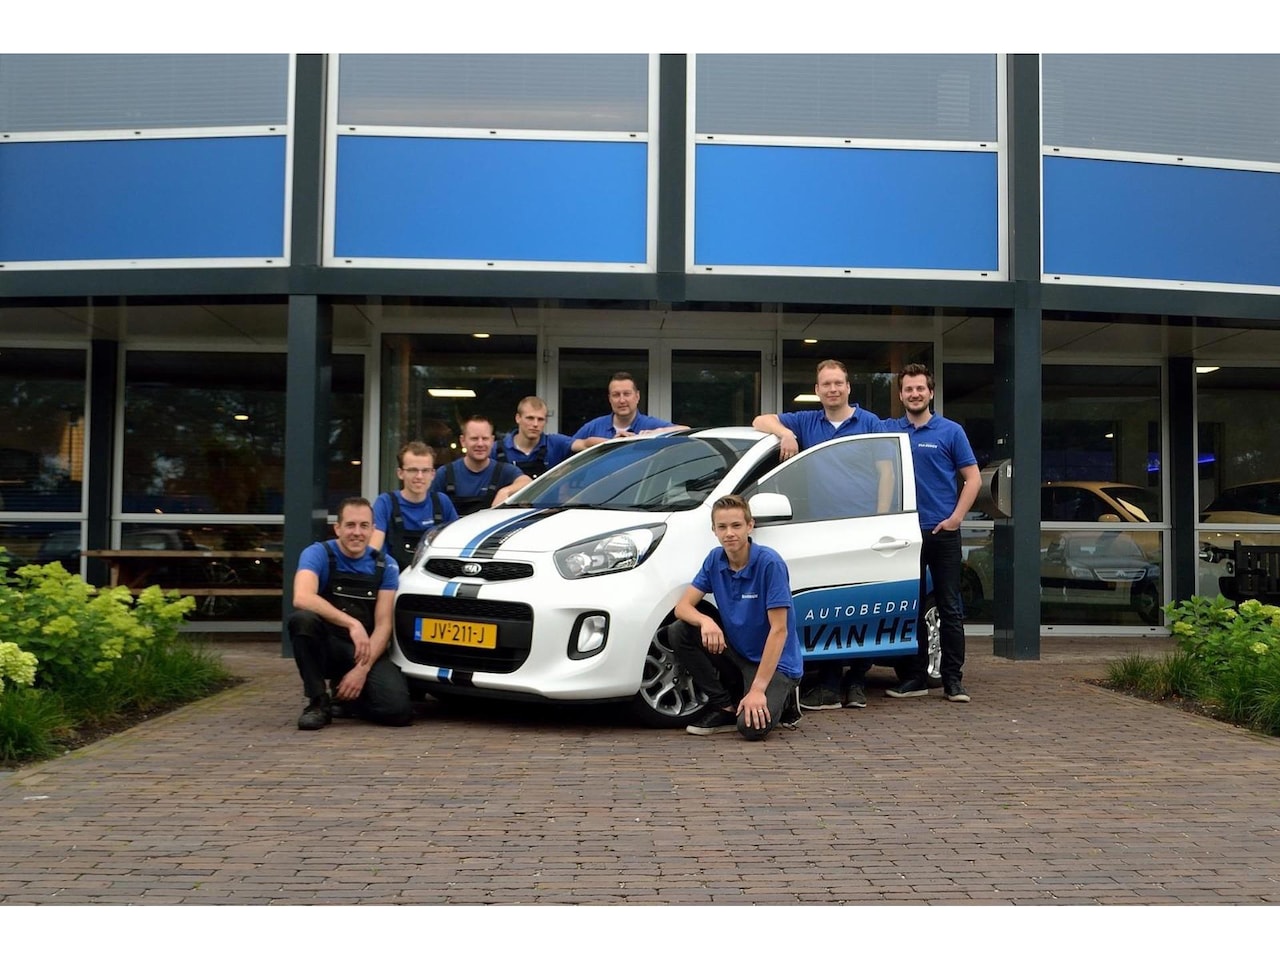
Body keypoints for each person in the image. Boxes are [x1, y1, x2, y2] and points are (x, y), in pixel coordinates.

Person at [752, 359, 894, 710]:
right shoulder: (806, 422)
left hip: (863, 529)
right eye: (826, 384)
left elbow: (887, 473)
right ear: (817, 390)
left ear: (848, 387)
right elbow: (760, 421)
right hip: (822, 531)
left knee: (864, 606)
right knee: (831, 607)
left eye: (838, 383)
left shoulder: (870, 423)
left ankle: (857, 681)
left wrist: (880, 519)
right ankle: (830, 683)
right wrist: (786, 434)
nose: (833, 389)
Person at [883, 362, 981, 704]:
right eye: (908, 389)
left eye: (920, 388)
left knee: (949, 607)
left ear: (931, 392)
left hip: (942, 533)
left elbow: (973, 479)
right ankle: (915, 677)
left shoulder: (951, 432)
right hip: (905, 536)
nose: (914, 394)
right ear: (900, 395)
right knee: (909, 607)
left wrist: (955, 519)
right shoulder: (890, 431)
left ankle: (953, 681)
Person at [671, 495, 805, 740]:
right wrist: (706, 621)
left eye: (736, 525)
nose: (729, 533)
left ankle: (785, 697)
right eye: (722, 527)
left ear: (750, 526)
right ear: (714, 530)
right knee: (680, 630)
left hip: (775, 663)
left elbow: (779, 630)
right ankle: (724, 706)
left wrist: (758, 690)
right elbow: (682, 607)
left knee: (751, 729)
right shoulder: (715, 559)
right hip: (738, 653)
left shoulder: (770, 563)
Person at [288, 497, 412, 731]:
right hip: (327, 646)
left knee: (398, 712)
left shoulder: (386, 565)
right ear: (337, 528)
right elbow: (302, 597)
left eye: (364, 526)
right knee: (302, 620)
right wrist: (352, 624)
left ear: (372, 529)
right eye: (350, 525)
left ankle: (347, 700)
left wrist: (362, 670)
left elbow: (384, 625)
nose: (357, 532)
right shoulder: (318, 553)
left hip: (364, 651)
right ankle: (317, 702)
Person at [370, 441, 459, 571]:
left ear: (433, 474)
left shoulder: (442, 502)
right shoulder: (385, 502)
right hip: (394, 576)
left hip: (433, 576)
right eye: (412, 470)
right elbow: (374, 547)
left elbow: (456, 544)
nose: (419, 476)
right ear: (400, 473)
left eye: (425, 470)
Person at [430, 415, 530, 516]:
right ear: (463, 441)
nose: (480, 444)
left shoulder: (504, 471)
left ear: (492, 441)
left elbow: (528, 483)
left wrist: (505, 491)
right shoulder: (445, 474)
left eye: (485, 438)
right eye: (474, 439)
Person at [570, 371, 687, 451]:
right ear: (609, 399)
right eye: (616, 395)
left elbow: (685, 430)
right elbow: (568, 448)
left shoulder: (649, 424)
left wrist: (656, 433)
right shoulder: (594, 427)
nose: (622, 400)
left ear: (637, 396)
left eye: (627, 394)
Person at [495, 396, 576, 479]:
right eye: (530, 418)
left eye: (540, 419)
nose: (535, 424)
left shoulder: (556, 443)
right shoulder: (496, 449)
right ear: (518, 418)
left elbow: (583, 445)